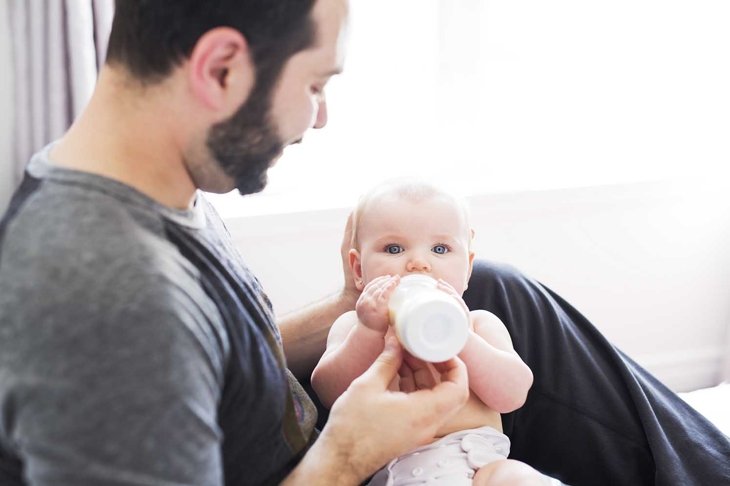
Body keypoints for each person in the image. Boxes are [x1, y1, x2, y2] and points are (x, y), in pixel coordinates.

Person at [0, 1, 491, 484]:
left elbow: (220, 352)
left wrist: (351, 303)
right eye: (314, 84)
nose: (318, 117)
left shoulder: (155, 185)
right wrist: (349, 454)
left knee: (486, 285)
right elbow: (157, 334)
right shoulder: (112, 297)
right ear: (220, 69)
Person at [311, 180, 538, 485]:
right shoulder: (354, 326)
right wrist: (368, 331)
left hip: (479, 468)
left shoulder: (479, 324)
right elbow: (329, 392)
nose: (418, 263)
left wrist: (463, 339)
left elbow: (513, 394)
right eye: (394, 248)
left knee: (517, 477)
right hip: (392, 473)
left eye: (440, 249)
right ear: (358, 269)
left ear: (468, 268)